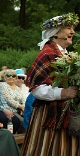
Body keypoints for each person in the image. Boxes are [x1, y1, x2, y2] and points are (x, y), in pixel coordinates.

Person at [21, 13, 79, 155]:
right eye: (67, 28)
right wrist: (63, 93)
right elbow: (36, 89)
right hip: (49, 115)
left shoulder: (68, 56)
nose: (72, 31)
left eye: (73, 28)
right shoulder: (47, 53)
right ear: (54, 34)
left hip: (67, 114)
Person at [0, 69, 25, 133]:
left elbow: (22, 99)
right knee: (23, 122)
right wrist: (21, 107)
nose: (11, 77)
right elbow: (8, 99)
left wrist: (23, 108)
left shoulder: (17, 88)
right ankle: (17, 139)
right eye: (8, 75)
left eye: (13, 76)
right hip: (9, 110)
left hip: (18, 110)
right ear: (5, 77)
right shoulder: (3, 85)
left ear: (15, 78)